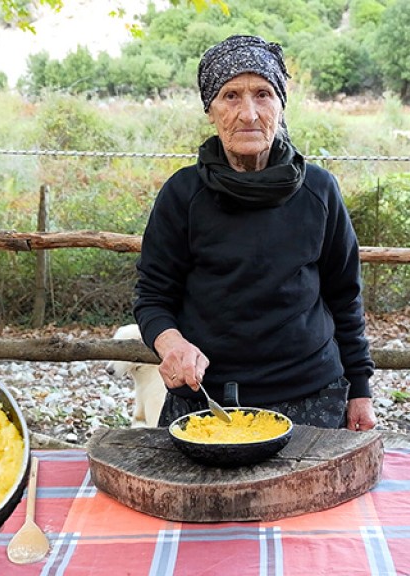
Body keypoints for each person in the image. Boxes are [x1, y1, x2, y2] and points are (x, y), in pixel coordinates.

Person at [134, 34, 376, 431]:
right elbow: (153, 296)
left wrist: (360, 391)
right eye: (231, 96)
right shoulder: (183, 195)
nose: (248, 113)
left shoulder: (319, 191)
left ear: (281, 106)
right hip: (207, 401)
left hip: (311, 397)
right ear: (210, 110)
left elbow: (345, 297)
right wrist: (172, 344)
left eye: (263, 94)